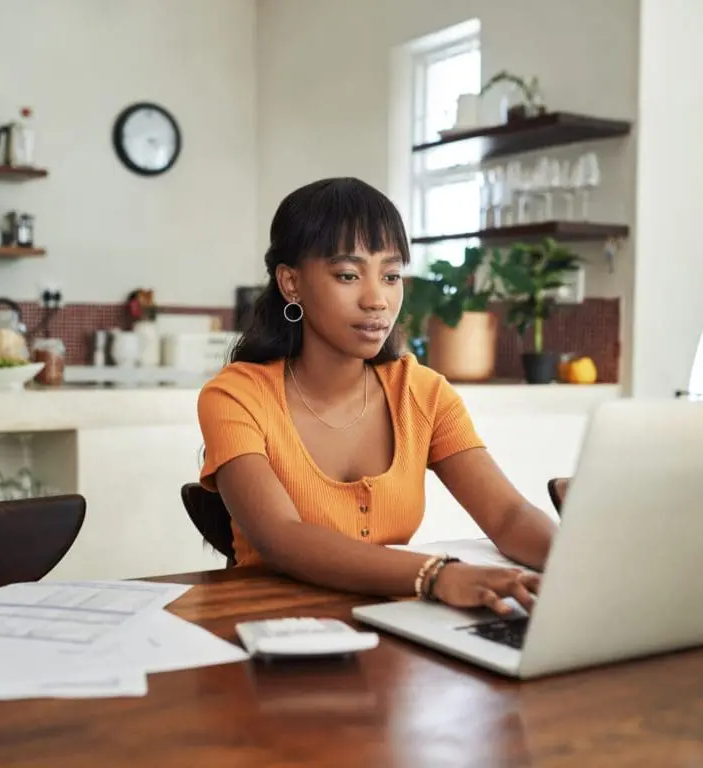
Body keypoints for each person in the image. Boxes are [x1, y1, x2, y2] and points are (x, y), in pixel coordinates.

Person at [197, 177, 559, 616]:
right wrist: (435, 575)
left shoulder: (423, 393)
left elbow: (507, 516)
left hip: (394, 631)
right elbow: (281, 537)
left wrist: (581, 565)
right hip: (270, 635)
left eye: (391, 276)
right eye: (348, 275)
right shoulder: (236, 396)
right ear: (291, 283)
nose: (377, 300)